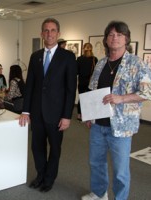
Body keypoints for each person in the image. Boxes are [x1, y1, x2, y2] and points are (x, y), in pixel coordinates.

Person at [81, 21, 151, 200]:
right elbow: (93, 91)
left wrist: (122, 98)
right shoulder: (101, 63)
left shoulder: (136, 63)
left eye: (119, 35)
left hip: (122, 127)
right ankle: (99, 193)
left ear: (126, 39)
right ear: (106, 39)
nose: (115, 38)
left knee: (120, 170)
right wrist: (89, 115)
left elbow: (147, 92)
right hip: (98, 124)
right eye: (111, 35)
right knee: (96, 163)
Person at [19, 18, 77, 192]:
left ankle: (49, 179)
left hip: (57, 114)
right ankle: (40, 175)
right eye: (46, 30)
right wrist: (25, 111)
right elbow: (29, 85)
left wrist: (67, 115)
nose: (49, 34)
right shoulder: (35, 56)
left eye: (53, 30)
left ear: (58, 33)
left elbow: (70, 88)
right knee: (37, 147)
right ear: (41, 33)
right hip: (36, 113)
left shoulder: (67, 57)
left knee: (55, 149)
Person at [76, 43, 98, 120]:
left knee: (81, 98)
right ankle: (87, 115)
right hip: (90, 82)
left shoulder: (79, 59)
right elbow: (96, 72)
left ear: (83, 49)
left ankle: (79, 115)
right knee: (89, 98)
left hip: (81, 81)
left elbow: (77, 71)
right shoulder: (94, 59)